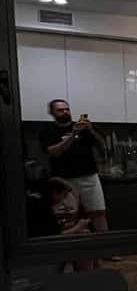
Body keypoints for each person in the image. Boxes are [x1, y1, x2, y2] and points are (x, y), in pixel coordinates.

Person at [38, 99, 109, 233]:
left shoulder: (82, 128)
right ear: (52, 112)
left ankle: (104, 243)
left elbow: (102, 145)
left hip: (89, 177)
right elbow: (54, 152)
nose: (65, 112)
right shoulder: (47, 130)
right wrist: (73, 135)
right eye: (60, 110)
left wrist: (91, 130)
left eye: (67, 109)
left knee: (98, 213)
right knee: (68, 217)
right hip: (64, 181)